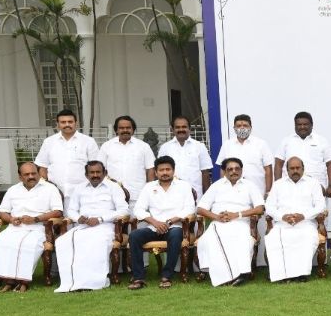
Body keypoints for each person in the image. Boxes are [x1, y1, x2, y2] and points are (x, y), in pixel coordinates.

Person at [55, 161, 127, 293]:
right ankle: (70, 281)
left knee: (95, 242)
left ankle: (95, 281)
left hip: (106, 227)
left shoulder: (113, 187)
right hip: (83, 227)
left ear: (104, 173)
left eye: (98, 172)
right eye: (91, 173)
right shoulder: (79, 188)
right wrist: (78, 218)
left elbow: (123, 210)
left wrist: (100, 219)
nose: (95, 175)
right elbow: (71, 210)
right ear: (86, 175)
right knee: (62, 241)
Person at [0, 162, 64, 292]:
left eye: (33, 173)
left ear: (38, 173)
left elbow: (58, 211)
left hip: (39, 227)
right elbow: (2, 212)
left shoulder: (49, 188)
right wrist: (11, 219)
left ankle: (23, 282)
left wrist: (35, 219)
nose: (31, 176)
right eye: (27, 174)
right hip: (15, 228)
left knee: (27, 245)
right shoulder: (13, 190)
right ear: (20, 177)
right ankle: (9, 280)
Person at [128, 156, 195, 290]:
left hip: (175, 226)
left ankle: (166, 276)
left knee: (176, 235)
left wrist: (169, 222)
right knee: (134, 236)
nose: (165, 172)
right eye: (161, 170)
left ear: (173, 171)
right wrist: (155, 222)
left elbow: (190, 208)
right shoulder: (149, 187)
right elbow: (138, 209)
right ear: (156, 172)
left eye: (168, 169)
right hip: (154, 227)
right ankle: (139, 277)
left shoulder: (184, 186)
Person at [196, 157, 265, 286]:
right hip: (219, 223)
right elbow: (200, 209)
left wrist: (237, 215)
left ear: (241, 170)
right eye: (230, 169)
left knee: (243, 240)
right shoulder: (216, 186)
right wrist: (216, 217)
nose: (234, 171)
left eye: (237, 168)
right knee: (209, 240)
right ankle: (226, 276)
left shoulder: (249, 186)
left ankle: (241, 274)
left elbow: (260, 208)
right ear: (224, 171)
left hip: (240, 223)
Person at [264, 156, 326, 282]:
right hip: (282, 223)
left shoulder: (313, 183)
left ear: (303, 169)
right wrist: (283, 217)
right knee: (274, 239)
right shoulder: (278, 184)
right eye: (292, 168)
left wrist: (303, 216)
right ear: (286, 170)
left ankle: (301, 274)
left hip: (306, 223)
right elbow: (269, 206)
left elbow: (321, 205)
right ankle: (281, 275)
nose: (295, 171)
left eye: (298, 168)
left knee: (306, 238)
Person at [35, 109, 100, 198]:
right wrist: (47, 187)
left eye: (70, 122)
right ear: (57, 124)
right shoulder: (49, 142)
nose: (67, 125)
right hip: (55, 193)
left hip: (83, 192)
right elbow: (42, 167)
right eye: (63, 122)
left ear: (76, 123)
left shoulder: (88, 141)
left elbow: (96, 167)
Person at [98, 115, 156, 211]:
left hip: (138, 195)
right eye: (121, 128)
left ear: (133, 130)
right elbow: (100, 169)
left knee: (138, 224)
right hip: (112, 196)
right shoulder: (107, 146)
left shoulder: (143, 146)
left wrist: (149, 191)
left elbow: (150, 169)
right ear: (116, 130)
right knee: (115, 225)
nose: (125, 130)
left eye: (128, 128)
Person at [274, 111, 331, 196]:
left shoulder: (322, 141)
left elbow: (330, 163)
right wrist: (278, 185)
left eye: (305, 124)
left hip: (317, 186)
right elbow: (278, 164)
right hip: (290, 186)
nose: (302, 127)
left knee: (318, 209)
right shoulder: (286, 141)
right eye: (299, 125)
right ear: (295, 126)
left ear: (312, 125)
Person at [215, 113, 274, 195]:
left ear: (250, 127)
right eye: (238, 126)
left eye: (245, 125)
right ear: (234, 128)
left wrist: (268, 192)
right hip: (233, 191)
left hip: (257, 191)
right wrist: (223, 189)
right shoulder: (227, 145)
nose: (242, 128)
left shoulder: (261, 144)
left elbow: (268, 169)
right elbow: (222, 169)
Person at [157, 115, 212, 197]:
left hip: (196, 195)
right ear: (172, 130)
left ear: (190, 129)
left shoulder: (199, 146)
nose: (181, 129)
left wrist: (207, 197)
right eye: (177, 127)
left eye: (184, 127)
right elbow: (160, 172)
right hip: (171, 195)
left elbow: (205, 173)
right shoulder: (165, 148)